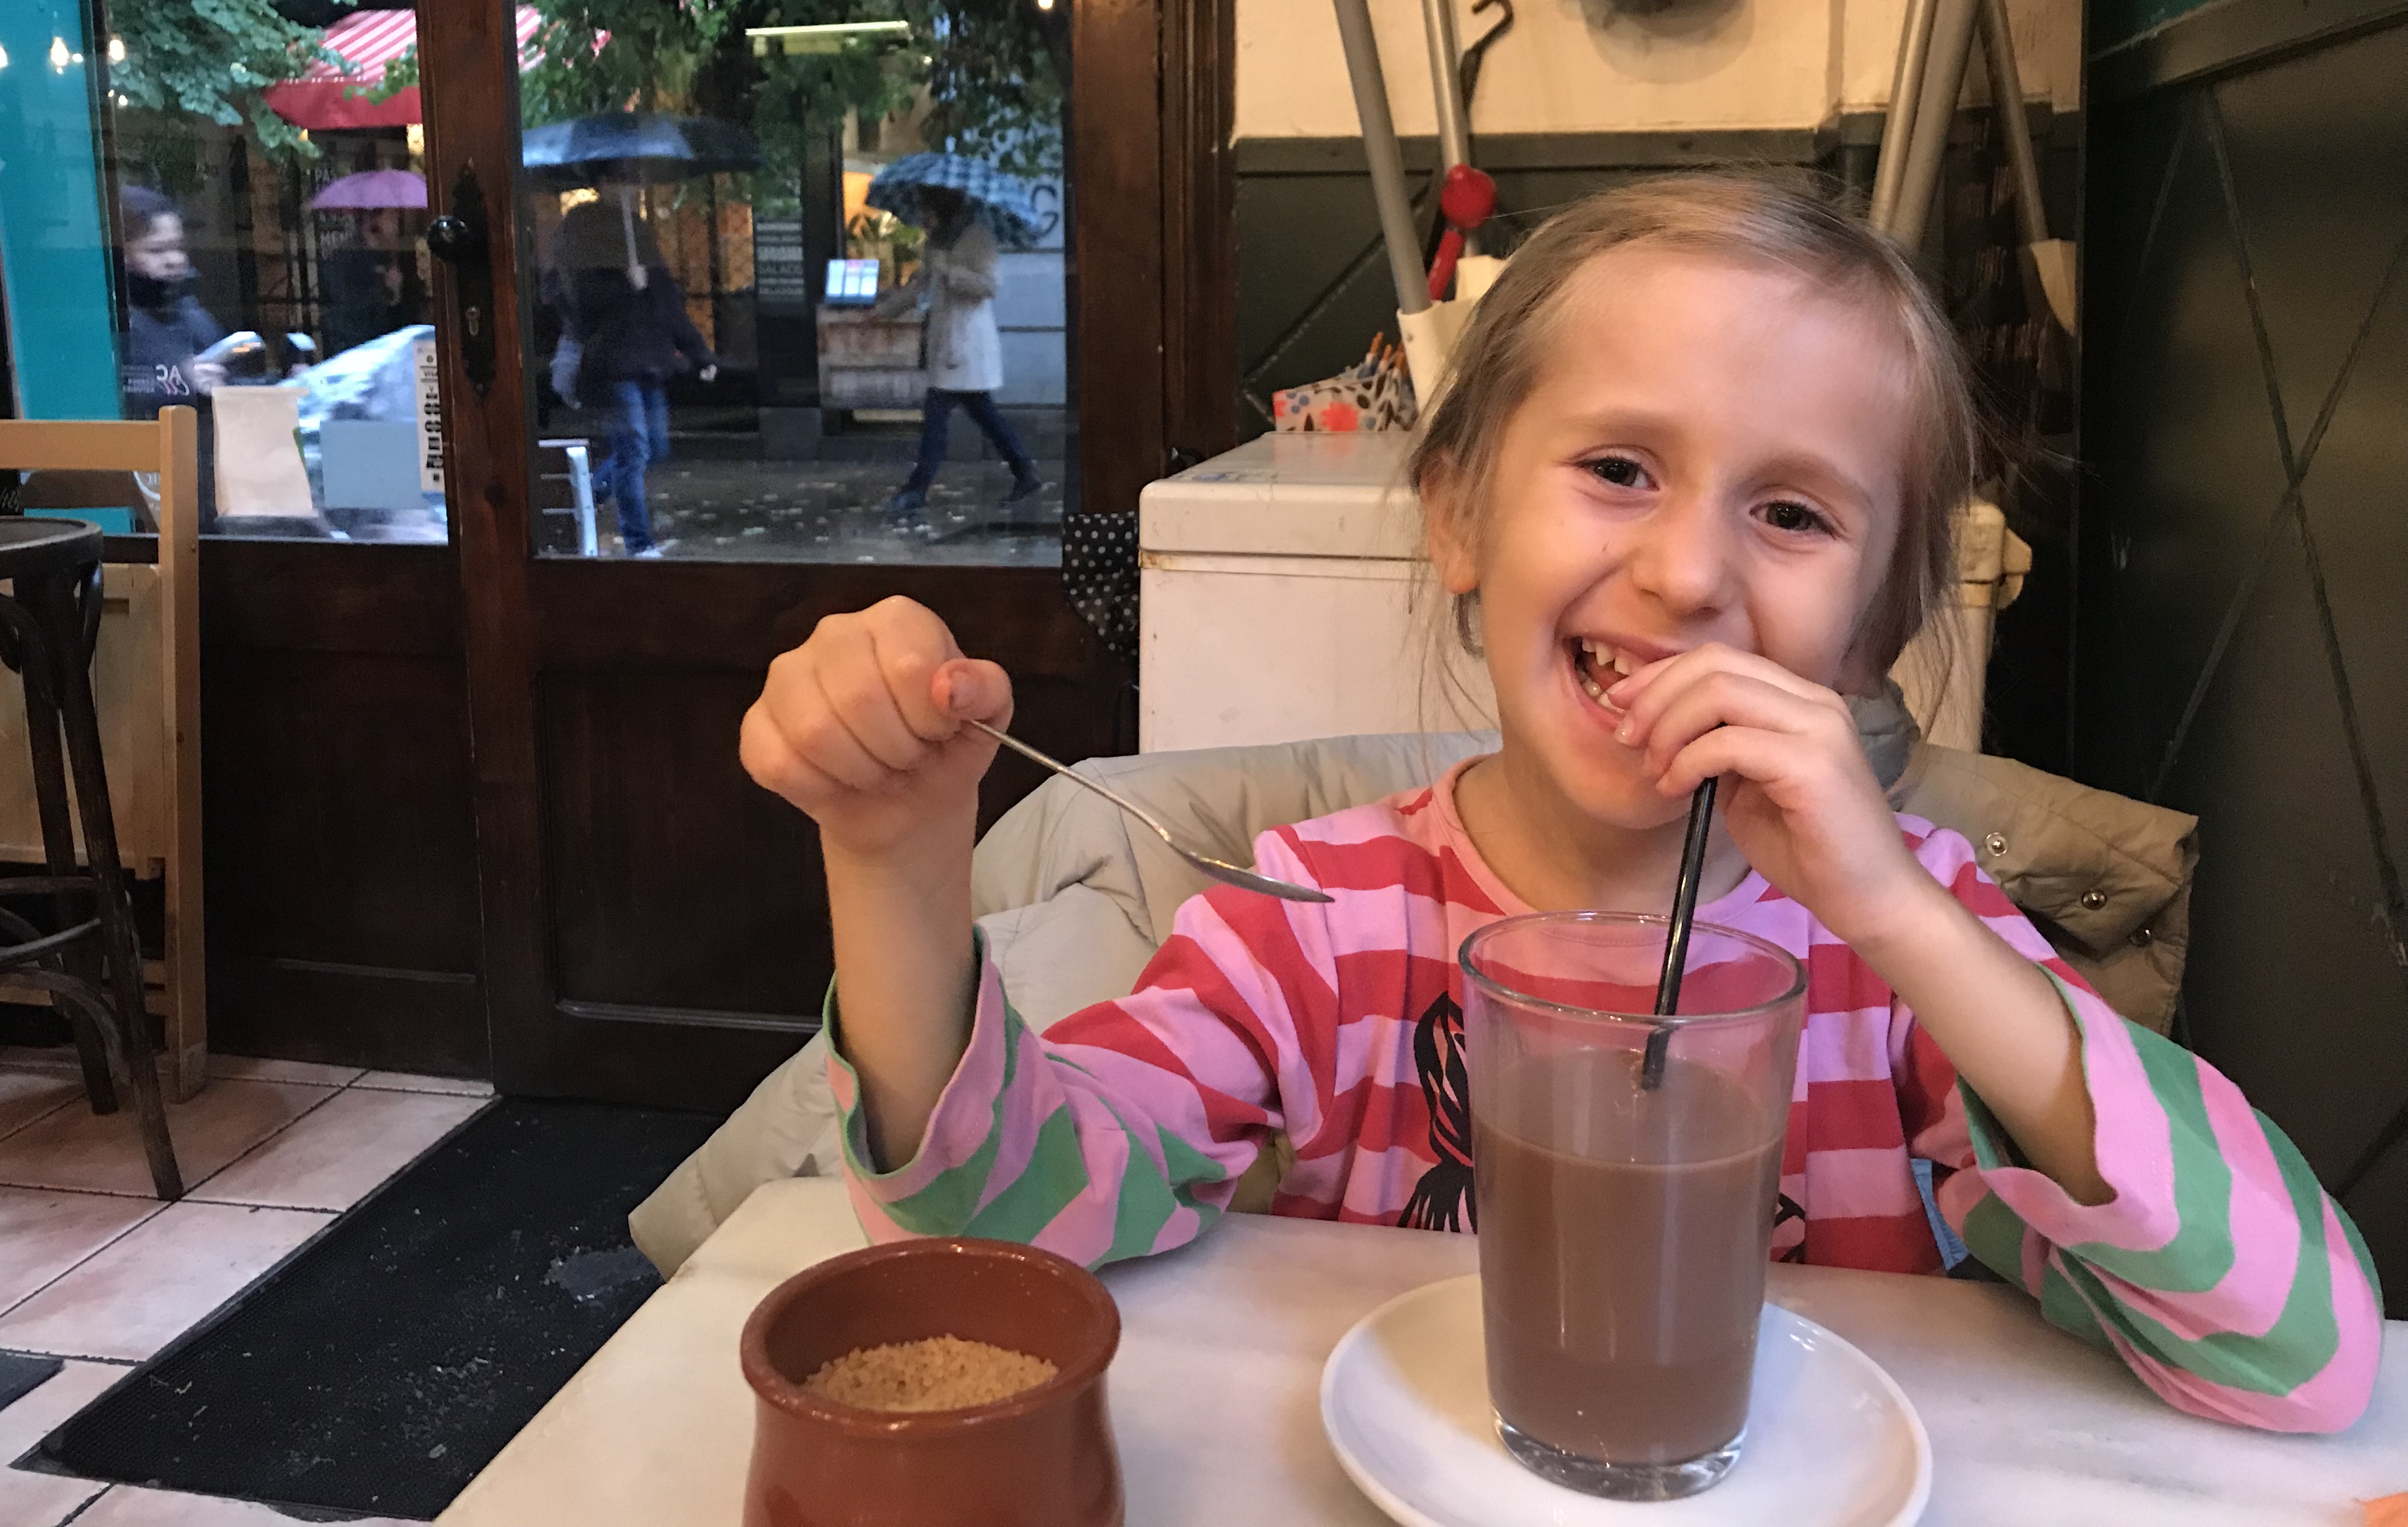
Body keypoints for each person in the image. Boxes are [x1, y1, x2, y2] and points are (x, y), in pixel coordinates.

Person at [737, 176, 2381, 1432]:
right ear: (1459, 518)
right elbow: (998, 1239)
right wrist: (893, 860)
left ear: (1872, 638)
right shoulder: (1315, 927)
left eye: (1793, 513)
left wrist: (1900, 916)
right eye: (1618, 469)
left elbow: (2301, 1352)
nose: (1687, 573)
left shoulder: (1907, 960)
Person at [552, 186, 717, 557]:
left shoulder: (636, 232)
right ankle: (638, 542)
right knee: (634, 450)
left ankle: (585, 495)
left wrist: (698, 353)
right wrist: (623, 286)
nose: (630, 189)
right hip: (611, 362)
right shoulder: (583, 230)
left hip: (647, 360)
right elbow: (573, 301)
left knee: (653, 447)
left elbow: (667, 301)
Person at [888, 188, 1041, 518]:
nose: (922, 217)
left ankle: (916, 489)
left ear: (944, 206)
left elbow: (989, 287)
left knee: (937, 419)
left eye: (927, 209)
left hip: (967, 344)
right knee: (985, 415)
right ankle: (1025, 473)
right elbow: (920, 286)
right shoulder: (936, 242)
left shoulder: (978, 238)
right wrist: (884, 311)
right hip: (945, 342)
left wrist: (949, 271)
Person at [118, 186, 223, 418]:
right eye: (156, 250)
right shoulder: (116, 323)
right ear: (123, 255)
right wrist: (183, 382)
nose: (174, 260)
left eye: (179, 247)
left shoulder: (195, 317)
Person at [317, 207, 424, 356]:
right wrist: (388, 294)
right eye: (392, 216)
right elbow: (350, 322)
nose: (396, 224)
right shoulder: (345, 263)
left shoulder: (398, 258)